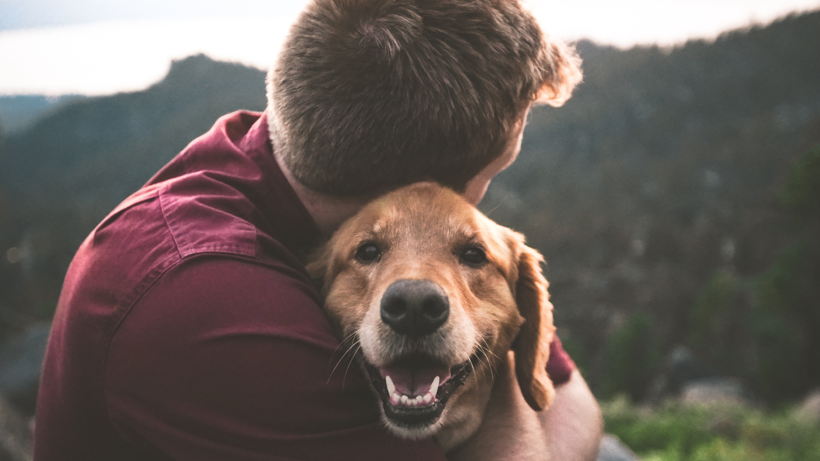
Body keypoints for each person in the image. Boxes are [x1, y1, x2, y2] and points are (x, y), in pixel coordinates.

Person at [34, 0, 602, 459]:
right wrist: (496, 362)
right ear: (418, 187)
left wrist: (497, 348)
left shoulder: (286, 155)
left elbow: (573, 400)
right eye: (494, 172)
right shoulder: (205, 301)